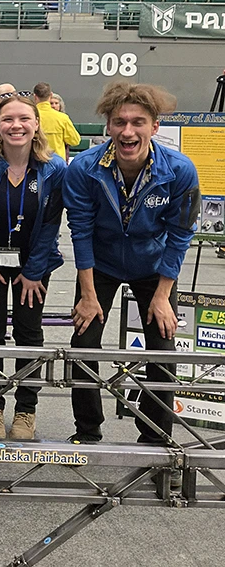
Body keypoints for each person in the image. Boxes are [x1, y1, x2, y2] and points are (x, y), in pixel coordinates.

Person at [64, 81, 200, 446]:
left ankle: (156, 436)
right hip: (101, 263)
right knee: (83, 343)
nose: (128, 131)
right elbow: (80, 231)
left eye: (138, 122)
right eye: (119, 122)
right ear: (107, 125)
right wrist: (88, 295)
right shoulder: (83, 169)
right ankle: (87, 430)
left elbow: (180, 235)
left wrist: (162, 294)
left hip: (153, 265)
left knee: (164, 347)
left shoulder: (180, 171)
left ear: (155, 127)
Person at [0, 95, 66, 440]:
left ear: (37, 124)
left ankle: (26, 409)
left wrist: (35, 271)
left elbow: (51, 225)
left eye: (24, 119)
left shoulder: (54, 169)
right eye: (8, 119)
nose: (16, 126)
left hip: (34, 262)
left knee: (28, 332)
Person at [32, 82, 80, 160]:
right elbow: (75, 141)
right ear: (50, 95)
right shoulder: (62, 118)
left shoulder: (30, 116)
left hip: (35, 161)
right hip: (58, 163)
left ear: (35, 96)